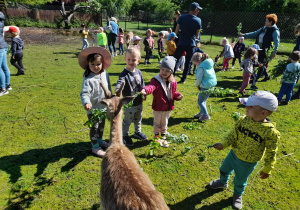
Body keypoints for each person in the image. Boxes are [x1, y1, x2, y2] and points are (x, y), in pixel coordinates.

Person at [209, 90, 280, 210]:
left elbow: (272, 152)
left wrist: (268, 168)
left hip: (248, 161)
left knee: (240, 179)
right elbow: (233, 135)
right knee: (224, 169)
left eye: (251, 106)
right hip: (234, 153)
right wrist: (224, 144)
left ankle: (237, 194)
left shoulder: (270, 133)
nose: (246, 107)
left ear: (263, 112)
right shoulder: (243, 120)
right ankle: (222, 182)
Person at [140, 56, 183, 147]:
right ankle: (156, 137)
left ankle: (163, 137)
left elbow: (173, 93)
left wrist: (177, 96)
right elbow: (151, 87)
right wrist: (146, 90)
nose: (164, 72)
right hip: (158, 107)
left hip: (168, 108)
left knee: (164, 123)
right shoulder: (155, 80)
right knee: (157, 123)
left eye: (167, 71)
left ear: (171, 72)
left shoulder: (173, 82)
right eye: (162, 70)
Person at [79, 47, 112, 158]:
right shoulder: (88, 79)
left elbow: (108, 88)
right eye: (92, 64)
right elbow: (84, 94)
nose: (96, 67)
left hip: (103, 107)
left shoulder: (104, 74)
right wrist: (86, 102)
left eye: (98, 64)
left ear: (102, 63)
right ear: (88, 64)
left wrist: (111, 99)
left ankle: (100, 140)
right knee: (94, 127)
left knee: (102, 125)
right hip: (93, 109)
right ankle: (95, 147)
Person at [115, 46, 147, 147]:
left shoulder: (139, 72)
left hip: (139, 102)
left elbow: (142, 85)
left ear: (138, 60)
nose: (131, 61)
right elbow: (120, 82)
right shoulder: (124, 74)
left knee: (138, 118)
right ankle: (125, 135)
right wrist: (117, 90)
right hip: (129, 104)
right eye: (128, 59)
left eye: (134, 60)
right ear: (125, 59)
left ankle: (137, 132)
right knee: (127, 120)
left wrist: (144, 92)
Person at [240, 14, 280, 82]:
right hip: (258, 49)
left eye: (266, 21)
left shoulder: (275, 31)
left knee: (261, 63)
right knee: (260, 63)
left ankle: (256, 78)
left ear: (270, 22)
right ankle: (266, 76)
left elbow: (277, 43)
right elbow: (255, 33)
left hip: (266, 50)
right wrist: (244, 35)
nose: (265, 22)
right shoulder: (264, 28)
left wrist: (274, 52)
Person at [173, 2, 202, 84]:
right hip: (191, 44)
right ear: (195, 9)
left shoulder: (182, 17)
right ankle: (183, 79)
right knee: (188, 61)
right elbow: (197, 35)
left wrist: (175, 38)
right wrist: (197, 41)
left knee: (175, 59)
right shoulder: (198, 20)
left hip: (181, 42)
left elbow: (176, 30)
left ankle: (171, 75)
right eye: (198, 10)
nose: (198, 11)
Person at [192, 52, 217, 121]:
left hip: (206, 86)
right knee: (203, 100)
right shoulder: (208, 64)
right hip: (211, 85)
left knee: (200, 102)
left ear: (199, 62)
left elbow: (199, 79)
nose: (195, 65)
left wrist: (197, 85)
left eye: (195, 64)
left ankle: (206, 115)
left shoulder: (201, 67)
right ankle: (201, 113)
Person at [0, 12, 11, 96]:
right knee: (4, 67)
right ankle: (7, 85)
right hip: (3, 46)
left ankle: (3, 89)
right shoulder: (2, 23)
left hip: (0, 47)